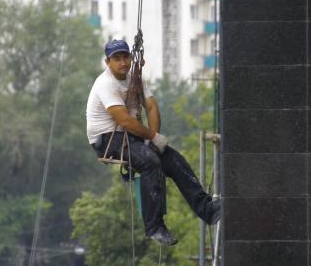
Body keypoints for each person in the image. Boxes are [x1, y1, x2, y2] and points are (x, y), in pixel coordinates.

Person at [86, 39, 220, 246]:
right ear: (108, 62)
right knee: (150, 162)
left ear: (131, 58)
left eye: (125, 57)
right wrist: (152, 138)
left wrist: (155, 138)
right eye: (117, 59)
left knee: (175, 161)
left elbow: (151, 106)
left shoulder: (135, 79)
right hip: (107, 139)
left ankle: (208, 209)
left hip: (132, 136)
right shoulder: (106, 85)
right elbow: (124, 120)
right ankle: (154, 227)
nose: (123, 62)